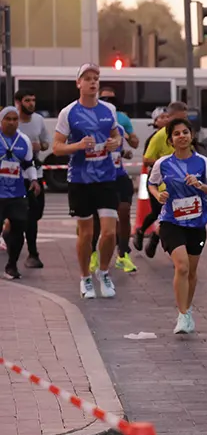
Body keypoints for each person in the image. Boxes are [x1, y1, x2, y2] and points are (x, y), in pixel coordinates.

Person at [53, 64, 124, 299]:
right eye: (88, 79)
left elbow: (116, 135)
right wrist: (78, 146)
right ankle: (85, 278)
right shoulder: (68, 113)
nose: (93, 82)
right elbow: (57, 147)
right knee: (85, 234)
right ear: (79, 83)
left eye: (96, 78)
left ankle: (103, 272)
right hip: (80, 179)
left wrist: (116, 142)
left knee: (110, 233)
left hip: (106, 177)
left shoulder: (108, 110)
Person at [147, 118, 207, 335]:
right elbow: (151, 183)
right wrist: (157, 194)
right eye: (177, 133)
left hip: (196, 223)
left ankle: (187, 310)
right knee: (182, 266)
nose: (182, 136)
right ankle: (181, 315)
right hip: (171, 221)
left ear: (192, 136)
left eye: (185, 132)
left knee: (191, 271)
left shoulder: (204, 163)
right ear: (170, 140)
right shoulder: (163, 163)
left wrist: (200, 185)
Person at [93, 85, 139, 274]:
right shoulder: (92, 120)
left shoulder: (121, 121)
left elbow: (134, 143)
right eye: (105, 100)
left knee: (124, 211)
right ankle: (93, 255)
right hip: (99, 176)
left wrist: (126, 140)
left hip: (119, 175)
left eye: (112, 101)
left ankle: (123, 254)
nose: (109, 104)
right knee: (97, 219)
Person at [135, 101, 189, 257]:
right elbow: (146, 160)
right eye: (179, 119)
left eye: (185, 119)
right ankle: (144, 232)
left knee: (176, 217)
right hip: (160, 185)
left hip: (181, 185)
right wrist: (168, 161)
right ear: (169, 118)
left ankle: (157, 240)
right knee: (160, 215)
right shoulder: (159, 136)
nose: (182, 124)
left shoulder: (187, 134)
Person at [0, 107, 40, 280]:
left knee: (19, 229)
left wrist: (34, 180)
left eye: (15, 119)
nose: (12, 122)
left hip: (17, 193)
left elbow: (28, 164)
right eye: (8, 119)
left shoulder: (24, 140)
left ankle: (12, 265)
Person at [14, 89, 48, 269]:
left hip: (36, 172)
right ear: (18, 102)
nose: (31, 104)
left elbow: (46, 142)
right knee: (27, 217)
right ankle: (32, 254)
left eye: (33, 100)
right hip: (15, 176)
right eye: (27, 100)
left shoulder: (39, 120)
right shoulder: (11, 120)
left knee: (36, 213)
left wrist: (40, 145)